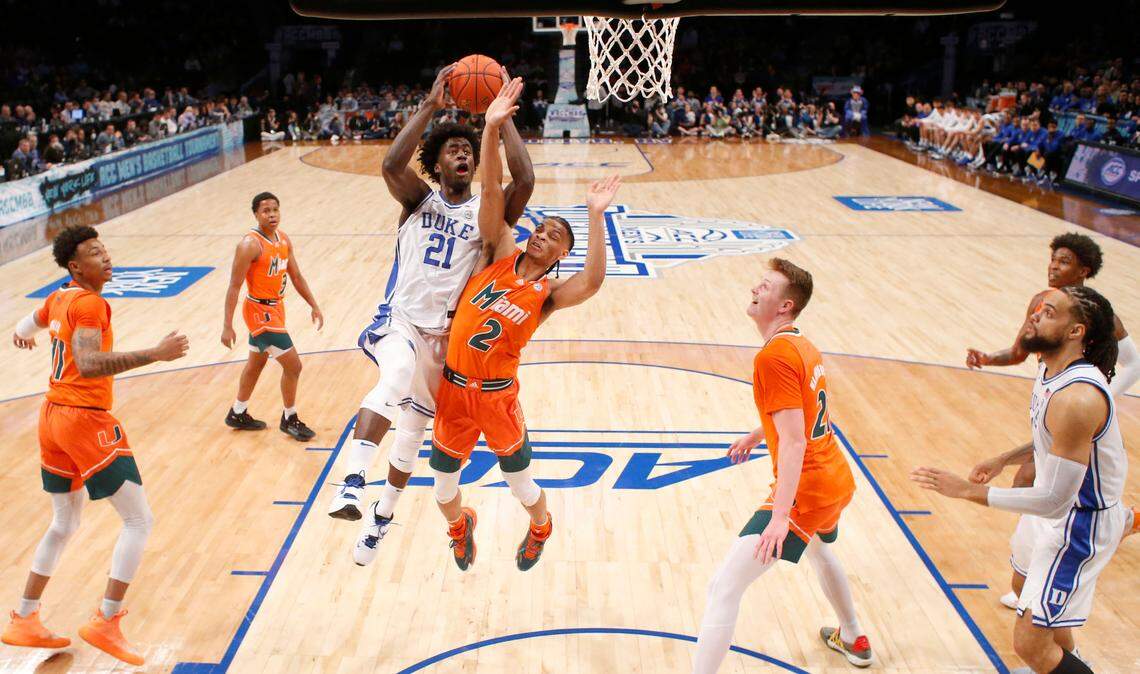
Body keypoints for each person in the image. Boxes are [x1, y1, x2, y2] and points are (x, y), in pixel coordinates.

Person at [326, 65, 535, 569]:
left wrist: (499, 119)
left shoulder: (488, 216)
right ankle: (352, 482)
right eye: (453, 149)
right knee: (393, 375)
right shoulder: (418, 199)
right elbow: (391, 166)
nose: (463, 153)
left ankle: (381, 517)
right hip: (401, 320)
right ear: (437, 164)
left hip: (446, 341)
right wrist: (427, 107)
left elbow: (524, 178)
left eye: (468, 149)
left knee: (412, 439)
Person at [428, 79, 622, 572]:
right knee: (442, 490)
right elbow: (493, 187)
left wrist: (594, 216)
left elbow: (594, 282)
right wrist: (491, 127)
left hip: (497, 396)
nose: (543, 235)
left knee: (522, 486)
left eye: (555, 235)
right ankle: (459, 526)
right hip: (453, 391)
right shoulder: (498, 250)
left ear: (562, 254)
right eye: (541, 228)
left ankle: (541, 525)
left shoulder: (548, 296)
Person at [914, 286, 1130, 674]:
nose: (1034, 315)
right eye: (1038, 309)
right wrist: (1004, 459)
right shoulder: (1053, 370)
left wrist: (969, 491)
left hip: (1078, 523)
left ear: (1075, 332)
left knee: (1029, 644)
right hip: (1061, 507)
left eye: (1049, 312)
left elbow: (1054, 501)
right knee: (1022, 584)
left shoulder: (1077, 398)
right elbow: (1051, 437)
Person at [2, 226, 189, 665]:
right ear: (75, 266)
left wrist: (25, 334)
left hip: (51, 418)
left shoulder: (60, 296)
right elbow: (87, 364)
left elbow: (23, 326)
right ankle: (107, 619)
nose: (104, 257)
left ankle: (24, 617)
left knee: (64, 524)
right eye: (93, 253)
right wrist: (155, 354)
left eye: (104, 249)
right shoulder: (87, 304)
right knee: (139, 520)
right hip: (83, 419)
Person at [693, 258, 872, 672]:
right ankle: (852, 635)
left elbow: (793, 442)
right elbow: (803, 412)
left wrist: (778, 517)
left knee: (722, 588)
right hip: (836, 479)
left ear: (785, 305)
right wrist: (758, 434)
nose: (755, 289)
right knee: (819, 550)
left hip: (807, 489)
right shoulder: (801, 344)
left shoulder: (772, 357)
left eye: (765, 287)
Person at [964, 233, 1138, 618]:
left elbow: (1134, 361)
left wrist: (1107, 396)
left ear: (1083, 270)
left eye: (1064, 261)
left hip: (1078, 420)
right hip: (1057, 408)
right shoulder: (1044, 322)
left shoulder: (1097, 326)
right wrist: (988, 359)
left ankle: (1113, 524)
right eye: (1053, 259)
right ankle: (1043, 564)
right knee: (1032, 480)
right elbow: (1019, 349)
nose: (1054, 266)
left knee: (1039, 484)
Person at [221, 192, 322, 440]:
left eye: (275, 209)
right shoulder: (249, 245)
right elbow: (234, 286)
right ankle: (290, 418)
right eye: (266, 211)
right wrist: (227, 325)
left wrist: (314, 305)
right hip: (258, 312)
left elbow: (296, 276)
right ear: (256, 214)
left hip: (276, 309)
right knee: (294, 365)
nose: (272, 214)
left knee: (256, 363)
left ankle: (237, 412)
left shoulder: (283, 239)